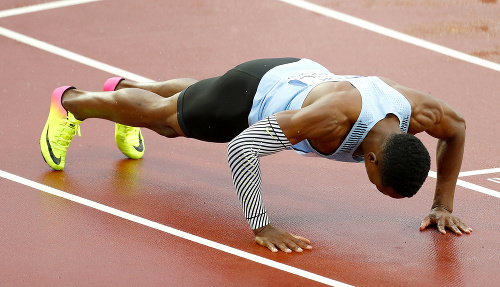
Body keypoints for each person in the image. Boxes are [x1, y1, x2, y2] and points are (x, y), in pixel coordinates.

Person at [40, 57, 472, 253]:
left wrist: (442, 204)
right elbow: (243, 146)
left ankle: (122, 92)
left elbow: (457, 129)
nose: (377, 192)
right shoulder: (332, 120)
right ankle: (72, 101)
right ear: (374, 162)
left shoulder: (415, 112)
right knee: (167, 122)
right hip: (251, 94)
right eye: (383, 190)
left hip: (292, 74)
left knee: (189, 98)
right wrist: (261, 227)